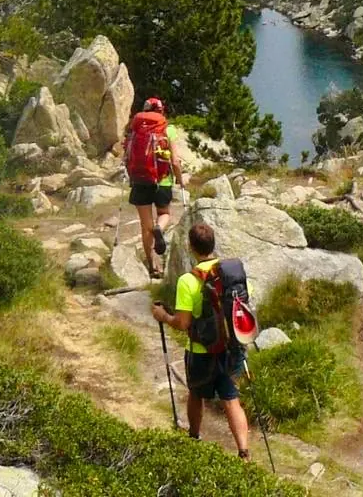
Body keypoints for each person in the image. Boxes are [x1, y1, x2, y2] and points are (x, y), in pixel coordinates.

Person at [152, 222, 251, 458]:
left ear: (190, 247)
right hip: (230, 347)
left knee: (196, 393)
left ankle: (194, 438)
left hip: (200, 350)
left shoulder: (188, 281)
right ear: (213, 244)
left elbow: (183, 323)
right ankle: (244, 452)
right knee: (231, 398)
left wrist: (163, 316)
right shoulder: (232, 274)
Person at [125, 97, 181, 279]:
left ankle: (153, 266)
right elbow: (175, 161)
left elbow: (126, 156)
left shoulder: (134, 130)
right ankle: (160, 228)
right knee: (164, 213)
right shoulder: (168, 129)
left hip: (140, 180)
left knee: (144, 226)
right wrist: (180, 179)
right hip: (162, 180)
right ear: (161, 111)